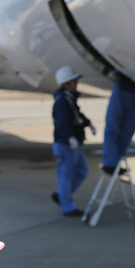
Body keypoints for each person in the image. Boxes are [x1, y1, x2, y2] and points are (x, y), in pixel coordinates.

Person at [51, 66, 95, 217]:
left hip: (74, 143)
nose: (76, 83)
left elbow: (77, 116)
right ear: (66, 84)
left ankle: (60, 195)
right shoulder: (62, 102)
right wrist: (70, 137)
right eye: (73, 81)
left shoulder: (69, 99)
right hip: (66, 144)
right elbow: (62, 123)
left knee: (82, 171)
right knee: (66, 176)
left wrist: (88, 123)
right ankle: (68, 207)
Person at [102, 71, 135, 175]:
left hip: (133, 92)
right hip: (125, 90)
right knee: (113, 129)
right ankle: (110, 163)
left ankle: (114, 162)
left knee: (126, 132)